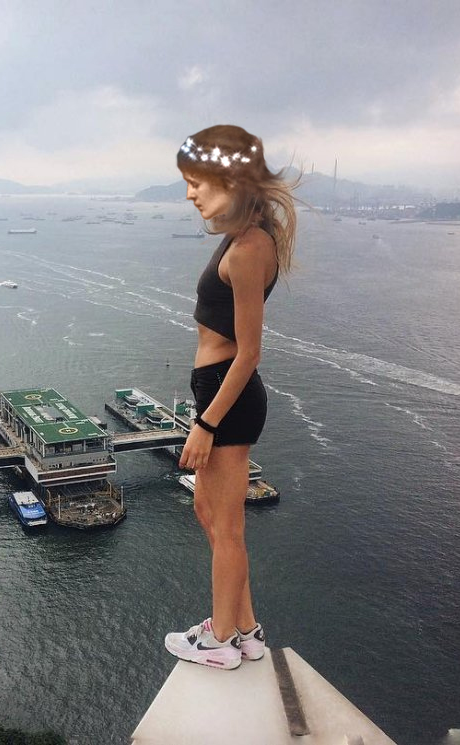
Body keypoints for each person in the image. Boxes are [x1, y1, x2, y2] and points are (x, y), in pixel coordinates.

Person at [163, 125, 297, 670]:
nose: (189, 193)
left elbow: (249, 353)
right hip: (217, 391)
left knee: (228, 527)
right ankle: (245, 629)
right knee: (208, 512)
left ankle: (219, 640)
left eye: (197, 182)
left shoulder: (248, 248)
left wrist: (206, 424)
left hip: (229, 397)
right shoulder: (242, 236)